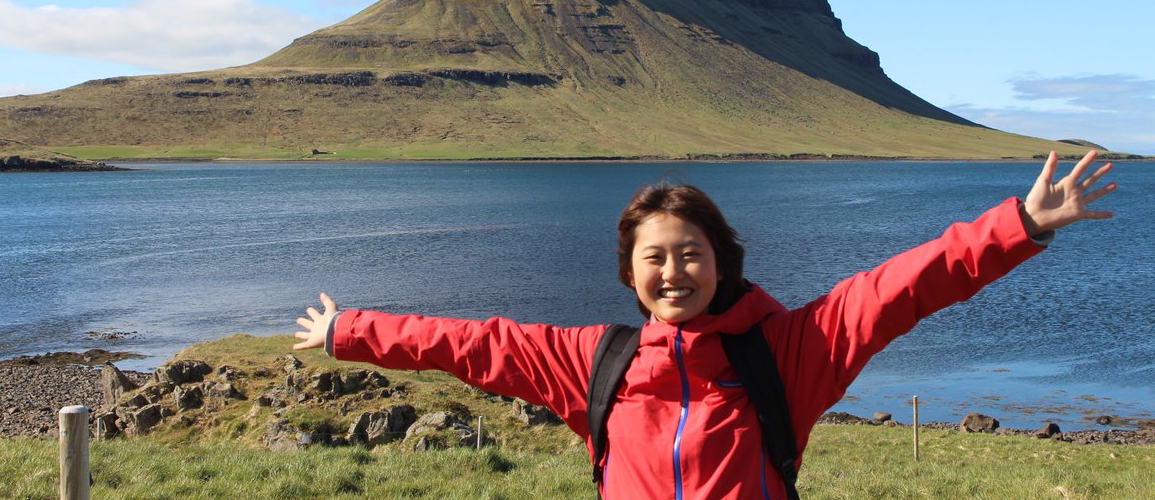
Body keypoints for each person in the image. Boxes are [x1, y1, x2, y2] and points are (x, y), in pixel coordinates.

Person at [294, 151, 1116, 499]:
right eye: (655, 258)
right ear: (631, 275)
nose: (673, 272)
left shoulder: (787, 351)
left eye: (690, 254)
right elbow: (471, 345)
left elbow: (902, 287)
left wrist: (1020, 225)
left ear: (721, 261)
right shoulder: (595, 359)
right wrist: (349, 331)